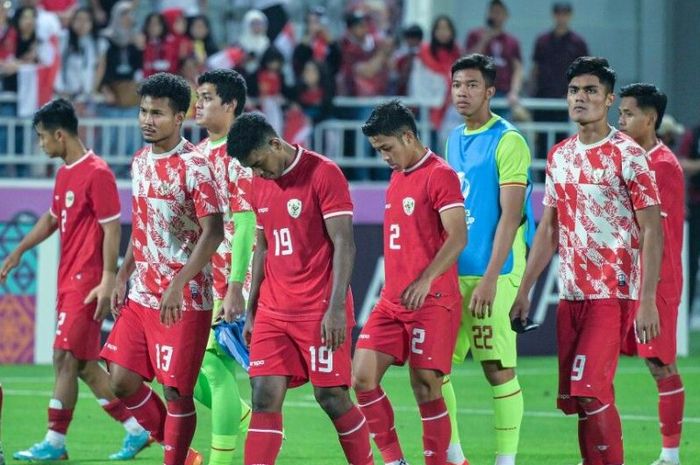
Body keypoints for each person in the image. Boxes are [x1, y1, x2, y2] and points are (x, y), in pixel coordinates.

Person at [510, 57, 663, 465]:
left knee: (590, 390)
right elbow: (549, 229)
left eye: (591, 91)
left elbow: (652, 229)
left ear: (610, 99)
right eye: (575, 90)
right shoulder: (560, 156)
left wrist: (647, 299)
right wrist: (526, 288)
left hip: (611, 293)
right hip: (571, 294)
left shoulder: (629, 156)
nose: (581, 98)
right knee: (581, 399)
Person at [0, 98, 150, 461]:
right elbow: (52, 219)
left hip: (87, 281)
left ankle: (54, 441)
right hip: (68, 279)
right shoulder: (65, 172)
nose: (40, 145)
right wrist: (19, 250)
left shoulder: (97, 172)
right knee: (82, 364)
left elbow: (112, 228)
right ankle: (137, 429)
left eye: (41, 138)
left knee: (63, 357)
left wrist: (108, 278)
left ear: (59, 135)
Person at [226, 112, 373, 465]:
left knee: (332, 397)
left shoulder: (324, 173)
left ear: (275, 143)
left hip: (319, 309)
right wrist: (253, 309)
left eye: (260, 164)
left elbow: (344, 244)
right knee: (263, 395)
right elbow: (263, 247)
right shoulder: (258, 182)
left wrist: (337, 308)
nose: (259, 174)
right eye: (252, 169)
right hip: (273, 312)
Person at [101, 72, 224, 465]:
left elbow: (214, 232)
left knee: (176, 392)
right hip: (141, 293)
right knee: (120, 379)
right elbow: (142, 225)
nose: (147, 120)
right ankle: (186, 456)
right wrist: (122, 275)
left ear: (179, 117)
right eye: (143, 111)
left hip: (184, 299)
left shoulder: (195, 166)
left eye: (157, 113)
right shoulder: (139, 162)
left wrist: (179, 283)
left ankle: (178, 460)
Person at [352, 100, 466, 465]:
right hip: (392, 302)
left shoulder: (440, 174)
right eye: (378, 150)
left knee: (426, 387)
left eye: (387, 147)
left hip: (432, 299)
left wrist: (426, 278)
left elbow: (458, 236)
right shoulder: (397, 175)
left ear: (408, 136)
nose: (384, 156)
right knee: (362, 379)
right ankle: (394, 460)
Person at [442, 53, 534, 465]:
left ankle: (505, 460)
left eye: (472, 85)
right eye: (458, 85)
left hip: (494, 272)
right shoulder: (451, 138)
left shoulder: (508, 140)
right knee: (433, 369)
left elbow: (511, 217)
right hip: (456, 271)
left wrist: (491, 279)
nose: (462, 92)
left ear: (491, 91)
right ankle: (455, 455)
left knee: (496, 368)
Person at [618, 83, 685, 465]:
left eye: (628, 114)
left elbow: (656, 234)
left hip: (656, 280)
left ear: (651, 118)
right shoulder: (630, 160)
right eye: (620, 114)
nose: (621, 121)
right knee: (600, 357)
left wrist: (648, 296)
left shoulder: (661, 166)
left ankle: (670, 455)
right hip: (623, 277)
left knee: (660, 364)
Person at [193, 68, 255, 465]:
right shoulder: (197, 153)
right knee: (185, 373)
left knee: (214, 368)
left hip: (233, 277)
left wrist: (236, 285)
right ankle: (244, 415)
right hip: (201, 279)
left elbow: (247, 221)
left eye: (207, 97)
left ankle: (220, 460)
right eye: (197, 97)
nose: (198, 104)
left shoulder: (240, 152)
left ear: (230, 104)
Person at [465, 0, 523, 113]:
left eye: (499, 12)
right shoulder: (475, 35)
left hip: (503, 93)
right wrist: (485, 39)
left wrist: (514, 92)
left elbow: (518, 68)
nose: (496, 16)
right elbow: (468, 61)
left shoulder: (512, 41)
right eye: (493, 12)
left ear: (506, 16)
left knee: (502, 129)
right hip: (480, 91)